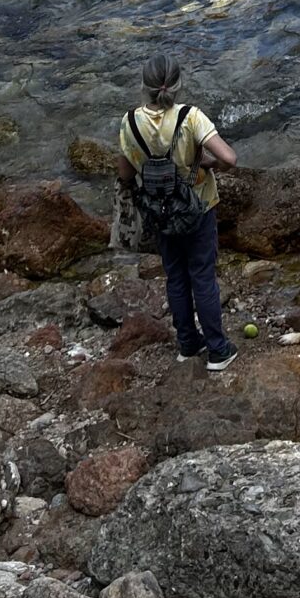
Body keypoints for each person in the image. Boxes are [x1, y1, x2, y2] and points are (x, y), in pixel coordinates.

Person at [116, 54, 239, 371]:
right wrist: (210, 164)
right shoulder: (191, 117)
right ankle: (217, 350)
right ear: (178, 84)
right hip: (198, 206)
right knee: (203, 278)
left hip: (161, 213)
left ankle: (187, 343)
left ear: (144, 86)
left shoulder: (130, 123)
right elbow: (230, 157)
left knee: (176, 277)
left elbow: (126, 174)